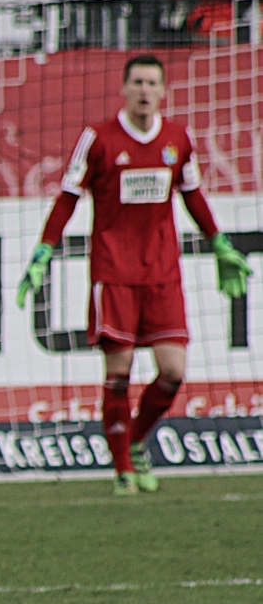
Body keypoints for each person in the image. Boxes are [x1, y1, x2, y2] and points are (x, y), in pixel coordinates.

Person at [16, 54, 252, 496]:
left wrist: (218, 241)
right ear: (123, 89)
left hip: (162, 271)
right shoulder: (98, 139)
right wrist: (44, 249)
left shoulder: (177, 139)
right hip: (114, 271)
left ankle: (136, 439)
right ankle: (123, 467)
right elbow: (68, 197)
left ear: (163, 91)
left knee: (173, 370)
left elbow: (192, 193)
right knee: (120, 369)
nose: (145, 90)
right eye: (138, 82)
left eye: (152, 83)